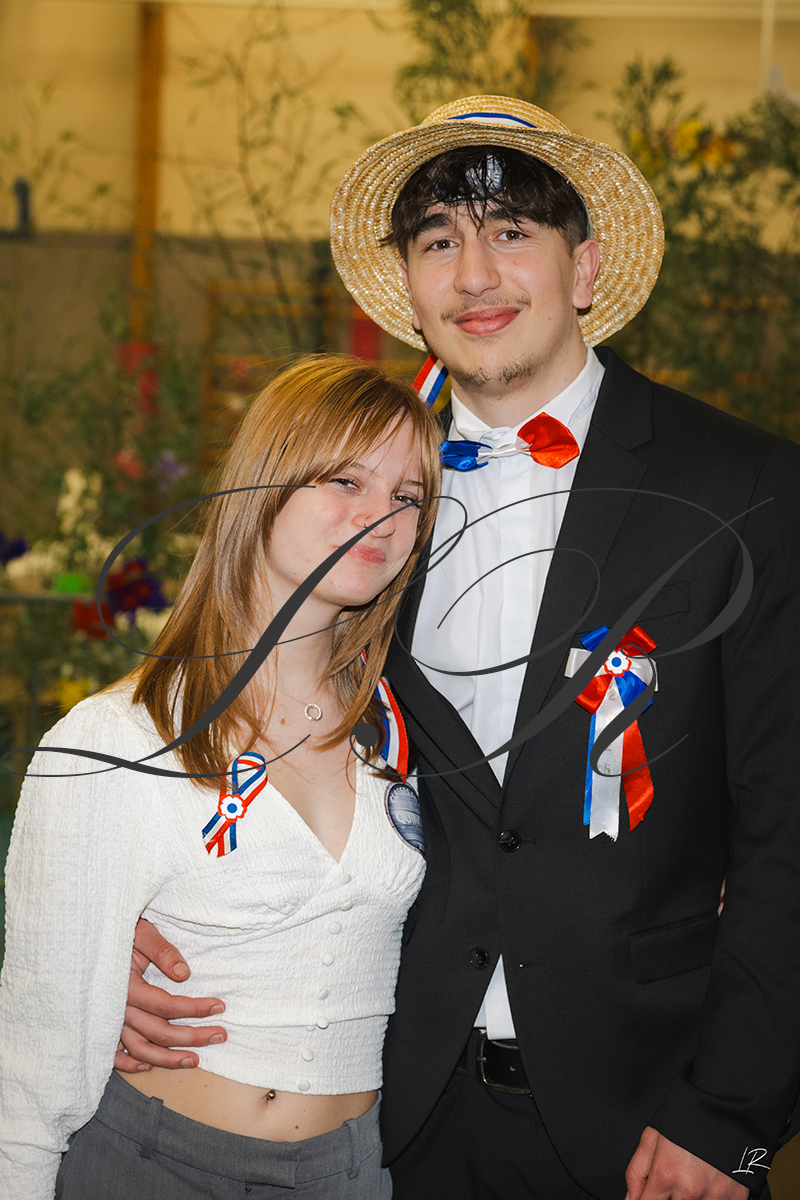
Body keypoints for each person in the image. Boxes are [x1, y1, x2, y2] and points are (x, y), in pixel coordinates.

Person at [118, 98, 800, 1200]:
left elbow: (786, 828)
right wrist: (124, 930)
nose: (474, 274)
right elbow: (234, 712)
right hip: (380, 1107)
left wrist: (735, 1122)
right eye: (439, 240)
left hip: (653, 1118)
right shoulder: (362, 492)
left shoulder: (745, 486)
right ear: (409, 284)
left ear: (584, 268)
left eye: (511, 233)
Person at [0, 355, 442, 1200]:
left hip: (349, 1171)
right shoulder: (117, 737)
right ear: (264, 485)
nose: (380, 516)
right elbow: (37, 1051)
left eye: (408, 495)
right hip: (154, 1166)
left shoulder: (397, 731)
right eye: (345, 479)